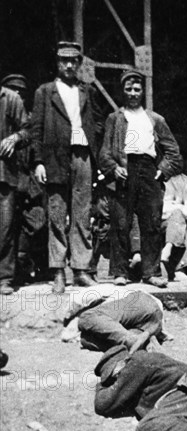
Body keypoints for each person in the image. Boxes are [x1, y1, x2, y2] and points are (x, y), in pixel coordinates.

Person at [30, 41, 105, 293]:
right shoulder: (45, 91)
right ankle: (58, 271)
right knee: (57, 213)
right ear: (58, 62)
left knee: (82, 213)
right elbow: (36, 129)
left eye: (74, 60)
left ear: (79, 63)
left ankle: (81, 269)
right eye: (64, 60)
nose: (70, 65)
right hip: (54, 159)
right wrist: (38, 161)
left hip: (82, 157)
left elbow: (99, 121)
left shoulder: (87, 91)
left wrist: (92, 141)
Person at [99, 69, 183, 288]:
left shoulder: (155, 119)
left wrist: (162, 170)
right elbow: (104, 153)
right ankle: (119, 272)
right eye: (129, 89)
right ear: (123, 92)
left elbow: (174, 152)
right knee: (121, 223)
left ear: (142, 91)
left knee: (152, 224)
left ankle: (152, 272)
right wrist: (114, 168)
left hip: (149, 171)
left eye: (137, 89)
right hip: (125, 171)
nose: (133, 93)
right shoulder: (114, 119)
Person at [2, 74, 49, 286]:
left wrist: (15, 138)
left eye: (21, 91)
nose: (18, 93)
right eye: (13, 88)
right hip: (12, 178)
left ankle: (15, 274)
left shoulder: (18, 108)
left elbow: (30, 135)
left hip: (19, 179)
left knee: (25, 225)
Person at [61, 288, 171, 353]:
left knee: (86, 317)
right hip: (151, 322)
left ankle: (131, 341)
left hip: (140, 301)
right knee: (85, 339)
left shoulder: (83, 296)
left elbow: (72, 316)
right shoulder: (108, 316)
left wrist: (70, 323)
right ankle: (144, 342)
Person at [0, 75, 30, 294]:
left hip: (4, 174)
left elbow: (29, 130)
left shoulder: (10, 98)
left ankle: (4, 278)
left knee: (6, 226)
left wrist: (14, 138)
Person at [161, 173, 187, 280]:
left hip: (175, 221)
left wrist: (172, 208)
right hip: (156, 222)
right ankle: (178, 269)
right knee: (178, 214)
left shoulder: (184, 180)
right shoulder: (153, 176)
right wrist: (177, 206)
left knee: (178, 217)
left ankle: (168, 247)